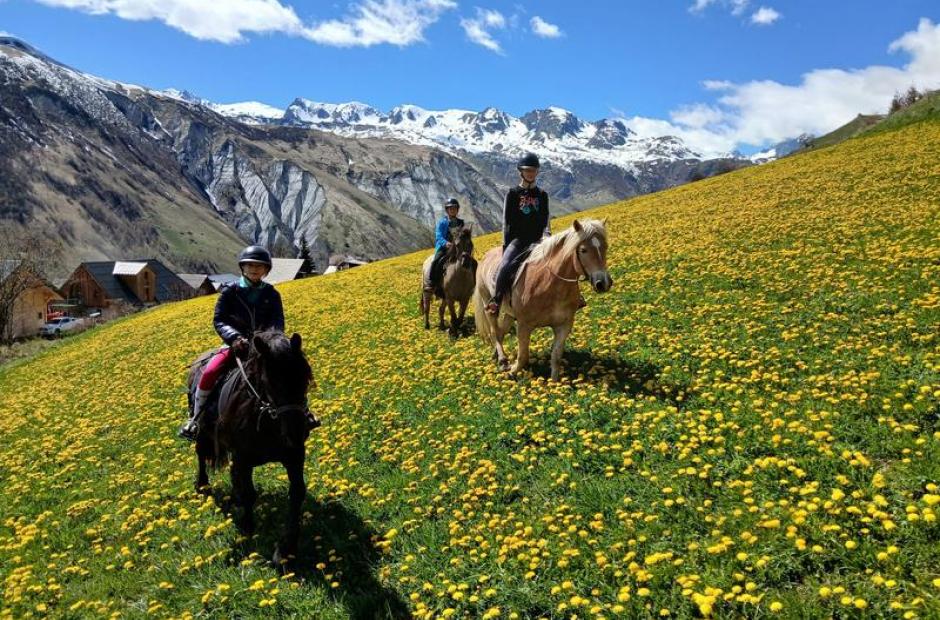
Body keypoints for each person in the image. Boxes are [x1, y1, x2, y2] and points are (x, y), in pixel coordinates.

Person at [178, 245, 315, 441]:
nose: (254, 269)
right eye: (250, 265)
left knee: (290, 373)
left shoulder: (272, 294)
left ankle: (305, 414)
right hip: (236, 346)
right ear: (242, 267)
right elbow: (220, 320)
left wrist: (269, 340)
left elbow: (278, 321)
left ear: (266, 270)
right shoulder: (229, 292)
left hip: (264, 348)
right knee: (209, 372)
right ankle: (195, 420)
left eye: (259, 266)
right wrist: (234, 338)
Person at [429, 198, 465, 296]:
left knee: (470, 260)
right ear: (447, 210)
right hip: (444, 247)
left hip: (458, 247)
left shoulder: (461, 222)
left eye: (454, 208)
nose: (452, 210)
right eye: (450, 208)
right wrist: (446, 243)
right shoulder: (442, 222)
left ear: (457, 209)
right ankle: (432, 283)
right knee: (436, 261)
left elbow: (463, 235)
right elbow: (438, 236)